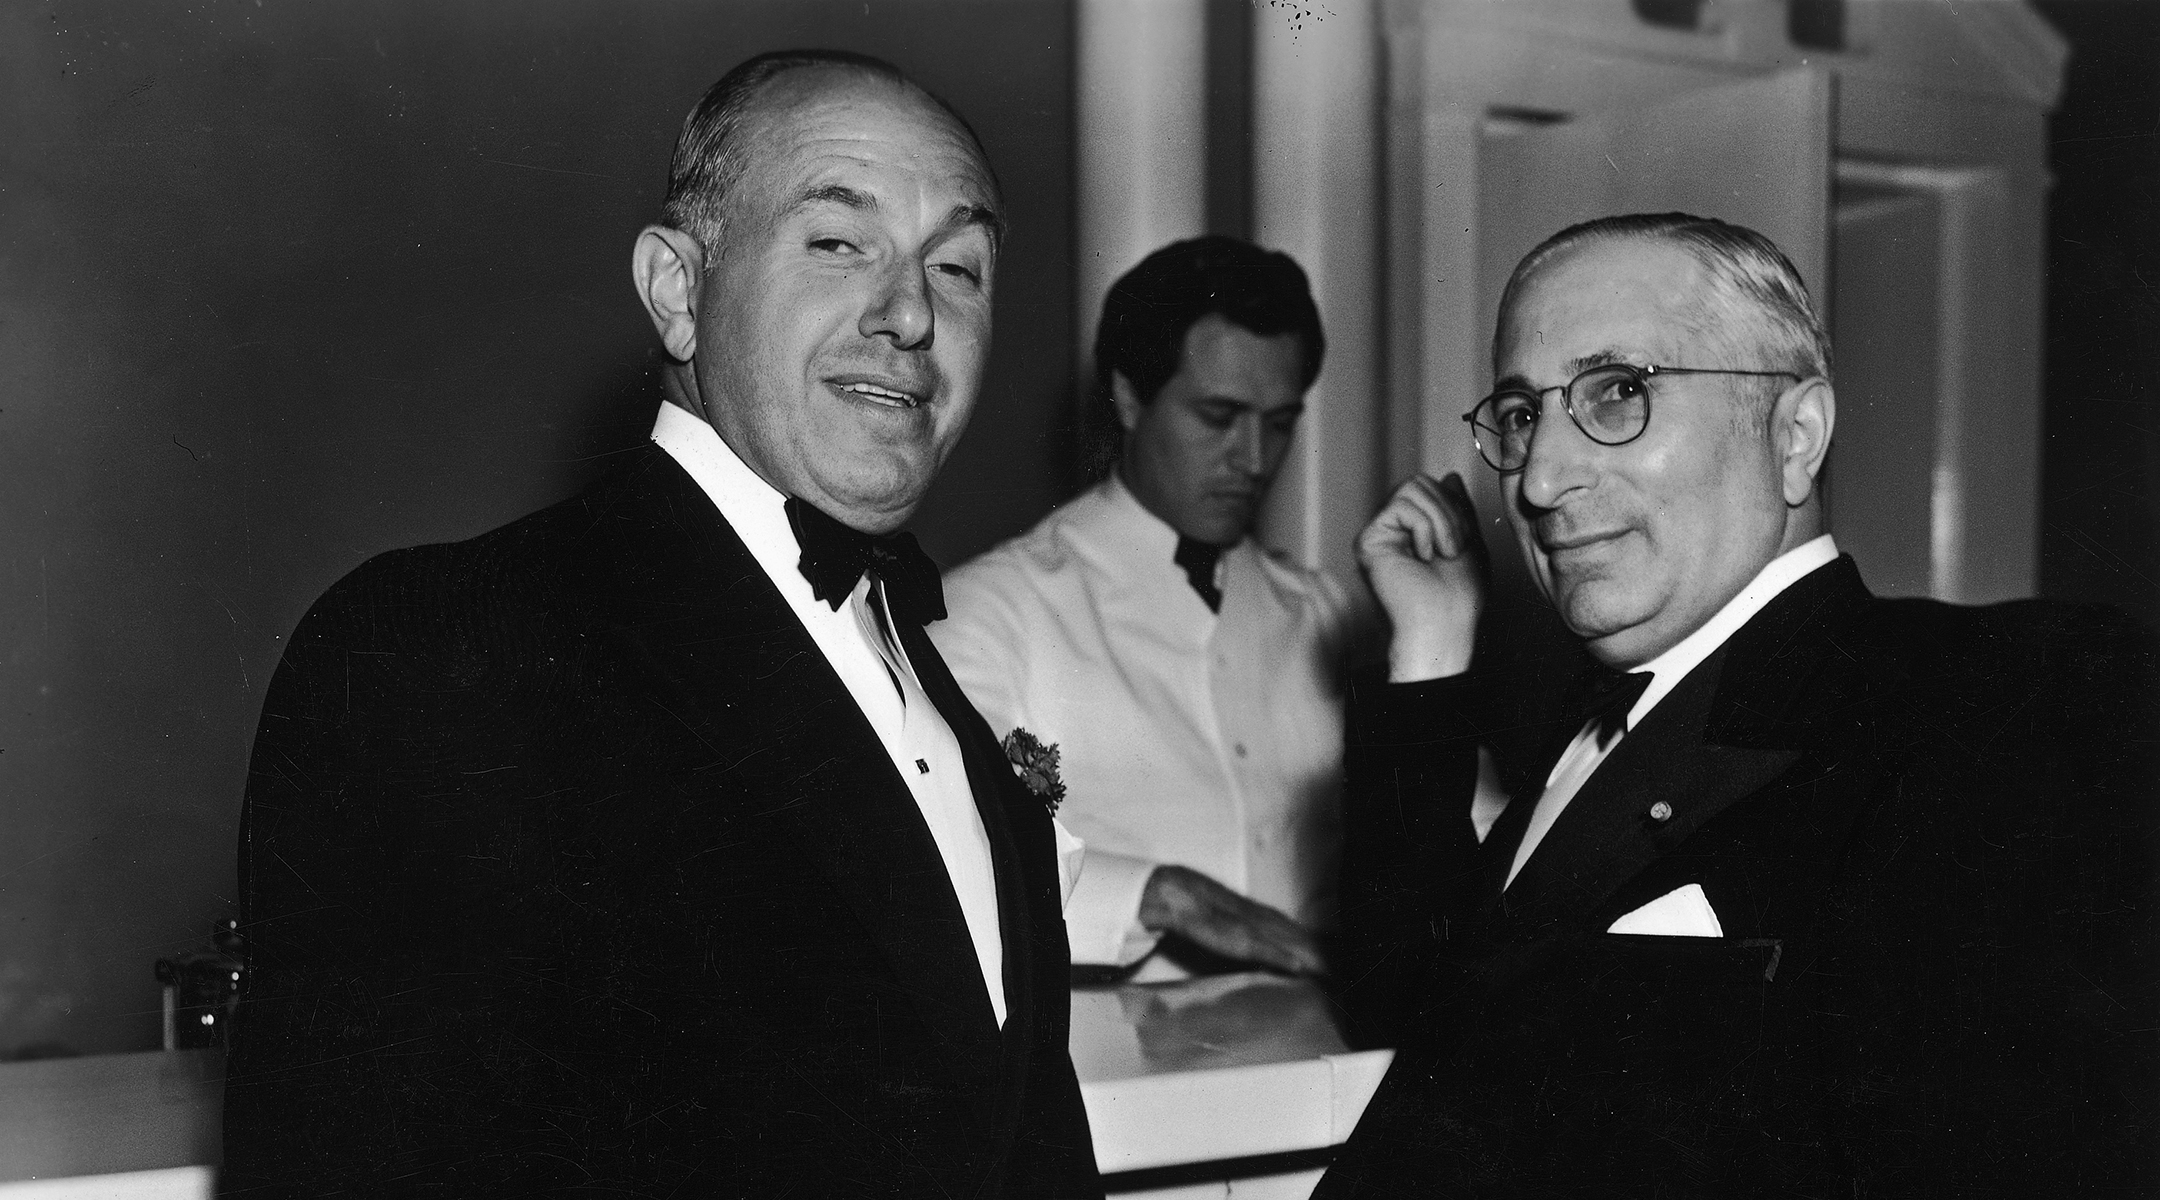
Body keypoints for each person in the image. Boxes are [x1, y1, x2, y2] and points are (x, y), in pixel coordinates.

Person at [221, 50, 1101, 1197]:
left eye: (960, 265)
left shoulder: (936, 691)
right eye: (838, 242)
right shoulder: (448, 645)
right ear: (679, 289)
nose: (911, 313)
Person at [1317, 213, 2156, 1195]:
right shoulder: (1594, 727)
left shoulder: (1994, 703)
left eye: (1619, 392)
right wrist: (1429, 653)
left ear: (1795, 437)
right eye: (1520, 414)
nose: (1540, 479)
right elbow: (1411, 1010)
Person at [931, 237, 1360, 978]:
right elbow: (945, 857)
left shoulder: (1333, 615)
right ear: (1129, 398)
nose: (1255, 459)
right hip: (1107, 1080)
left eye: (1280, 421)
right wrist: (1159, 896)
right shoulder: (991, 612)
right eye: (1218, 416)